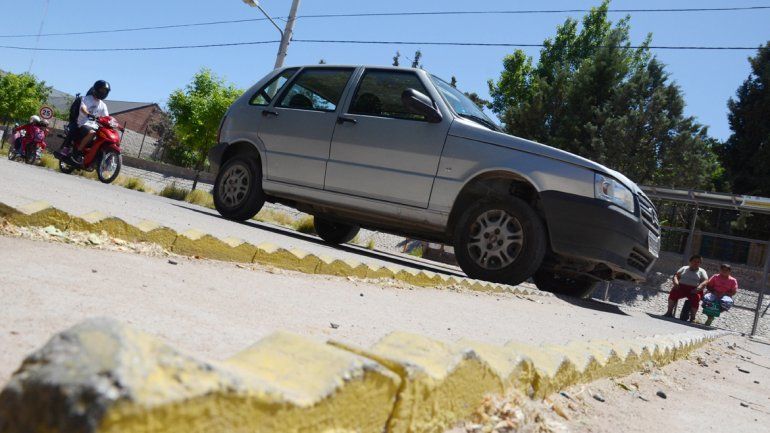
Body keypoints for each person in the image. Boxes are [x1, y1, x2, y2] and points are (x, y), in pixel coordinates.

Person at [69, 80, 110, 164]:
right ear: (97, 89)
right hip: (83, 123)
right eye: (102, 90)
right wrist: (88, 114)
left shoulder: (103, 105)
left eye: (105, 91)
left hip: (95, 126)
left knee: (104, 137)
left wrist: (113, 123)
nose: (103, 92)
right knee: (92, 133)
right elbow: (83, 108)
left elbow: (106, 117)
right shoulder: (86, 98)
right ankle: (78, 152)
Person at [664, 254, 708, 321]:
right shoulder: (684, 268)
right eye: (694, 261)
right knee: (673, 293)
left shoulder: (702, 271)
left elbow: (705, 281)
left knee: (696, 298)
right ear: (690, 261)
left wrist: (698, 288)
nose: (696, 263)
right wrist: (676, 283)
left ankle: (693, 318)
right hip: (681, 287)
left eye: (698, 262)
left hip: (694, 289)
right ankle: (669, 312)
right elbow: (676, 276)